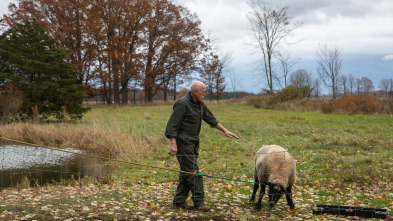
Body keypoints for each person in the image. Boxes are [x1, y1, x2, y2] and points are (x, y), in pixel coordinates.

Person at [165, 81, 239, 212]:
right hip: (183, 142)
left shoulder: (199, 104)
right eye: (203, 92)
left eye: (205, 91)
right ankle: (199, 202)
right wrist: (173, 144)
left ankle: (179, 201)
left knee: (186, 172)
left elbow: (210, 119)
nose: (205, 94)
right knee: (194, 173)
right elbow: (172, 125)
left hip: (193, 142)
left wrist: (225, 130)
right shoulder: (182, 104)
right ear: (195, 92)